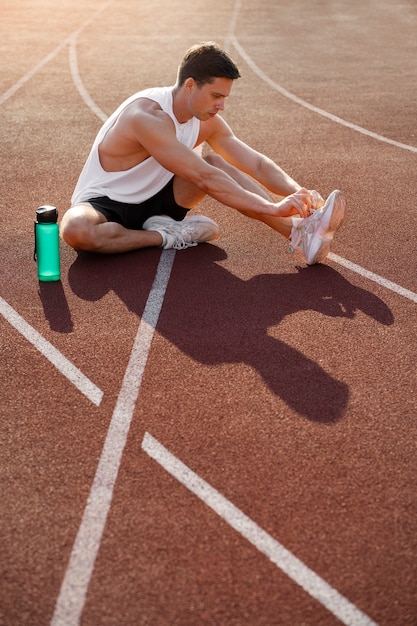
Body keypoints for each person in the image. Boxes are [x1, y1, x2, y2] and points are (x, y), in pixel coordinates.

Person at [61, 41, 346, 265]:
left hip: (161, 200)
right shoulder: (147, 117)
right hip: (105, 203)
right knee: (76, 231)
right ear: (189, 85)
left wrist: (301, 194)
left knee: (215, 160)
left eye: (224, 98)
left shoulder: (205, 121)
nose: (221, 105)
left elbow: (257, 165)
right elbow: (205, 178)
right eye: (216, 96)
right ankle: (165, 235)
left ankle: (300, 233)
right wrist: (271, 207)